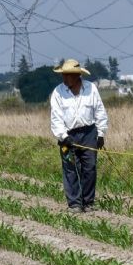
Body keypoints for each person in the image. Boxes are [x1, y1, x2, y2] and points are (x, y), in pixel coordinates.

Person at [49, 59, 108, 213]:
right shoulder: (57, 92)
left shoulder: (91, 89)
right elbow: (56, 118)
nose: (65, 77)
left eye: (68, 75)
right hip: (67, 135)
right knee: (70, 168)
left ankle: (88, 202)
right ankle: (75, 203)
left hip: (89, 133)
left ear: (77, 76)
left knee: (90, 168)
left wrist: (101, 133)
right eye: (64, 75)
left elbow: (100, 111)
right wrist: (63, 136)